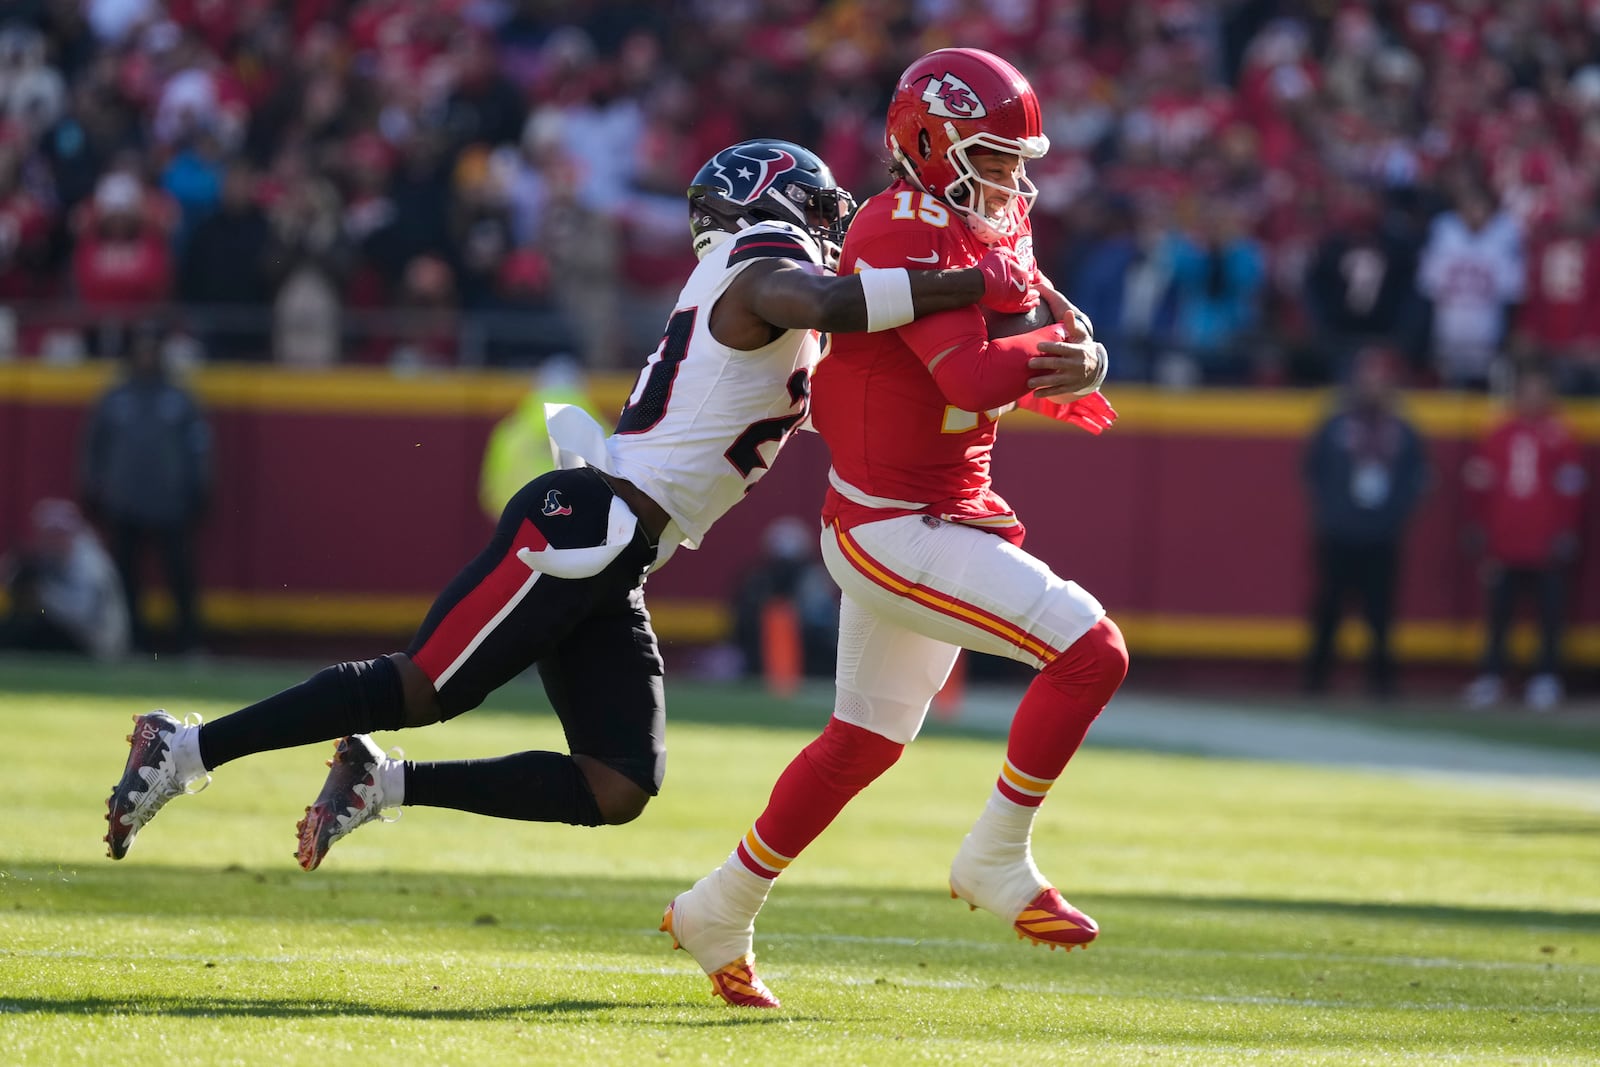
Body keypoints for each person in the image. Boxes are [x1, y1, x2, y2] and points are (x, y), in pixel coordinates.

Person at [103, 138, 1040, 873]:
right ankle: (185, 747)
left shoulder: (776, 289)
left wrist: (1022, 349)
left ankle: (380, 784)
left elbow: (858, 346)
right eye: (820, 205)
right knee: (424, 683)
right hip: (586, 520)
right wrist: (969, 280)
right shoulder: (761, 267)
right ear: (771, 197)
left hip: (620, 550)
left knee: (618, 781)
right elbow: (829, 298)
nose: (833, 221)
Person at [661, 49, 1126, 1009]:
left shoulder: (987, 220)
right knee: (1091, 651)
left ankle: (719, 905)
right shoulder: (898, 223)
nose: (1013, 176)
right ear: (932, 141)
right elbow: (968, 375)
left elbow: (1022, 333)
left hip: (937, 507)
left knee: (861, 742)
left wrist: (1068, 352)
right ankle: (997, 854)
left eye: (1015, 157)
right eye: (993, 155)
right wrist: (1058, 357)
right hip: (894, 523)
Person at [1301, 347, 1430, 698]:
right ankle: (1316, 681)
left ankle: (1382, 684)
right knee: (1328, 609)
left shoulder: (1401, 430)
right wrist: (1332, 514)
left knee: (1381, 614)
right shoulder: (1336, 424)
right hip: (1339, 532)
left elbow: (1416, 478)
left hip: (1382, 535)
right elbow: (1314, 471)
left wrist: (1393, 518)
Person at [1461, 364, 1588, 711]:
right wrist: (1479, 526)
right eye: (1527, 391)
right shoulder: (1497, 433)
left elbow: (1572, 489)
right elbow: (1479, 485)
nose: (1533, 398)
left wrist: (1565, 531)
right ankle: (1492, 676)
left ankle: (1545, 677)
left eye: (1539, 391)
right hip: (1504, 539)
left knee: (1550, 613)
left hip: (1544, 540)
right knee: (1498, 614)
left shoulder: (1560, 436)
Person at [80, 322, 213, 654]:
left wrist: (200, 487)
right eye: (141, 348)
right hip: (124, 501)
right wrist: (93, 486)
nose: (146, 355)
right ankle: (132, 641)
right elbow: (94, 445)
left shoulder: (179, 398)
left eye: (152, 348)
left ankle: (189, 641)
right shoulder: (116, 396)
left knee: (180, 576)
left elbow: (199, 446)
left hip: (170, 502)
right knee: (126, 578)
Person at [477, 356, 604, 522]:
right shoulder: (601, 434)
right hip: (581, 535)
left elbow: (491, 494)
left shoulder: (510, 433)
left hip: (524, 531)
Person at [0, 498, 129, 660]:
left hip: (98, 644)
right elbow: (11, 572)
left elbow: (82, 615)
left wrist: (42, 596)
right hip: (76, 636)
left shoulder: (91, 565)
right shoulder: (54, 557)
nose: (51, 540)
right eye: (47, 534)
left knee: (28, 627)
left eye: (57, 534)